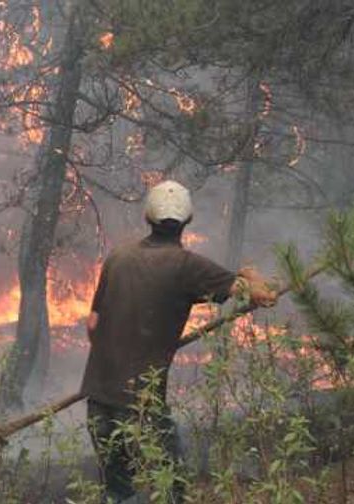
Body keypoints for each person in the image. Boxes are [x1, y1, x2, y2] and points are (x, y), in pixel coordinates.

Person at [81, 180, 277, 503]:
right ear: (187, 221)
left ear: (147, 217)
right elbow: (263, 296)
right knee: (173, 486)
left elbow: (93, 324)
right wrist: (250, 275)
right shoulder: (187, 266)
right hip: (141, 406)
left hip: (98, 399)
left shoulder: (118, 257)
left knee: (117, 492)